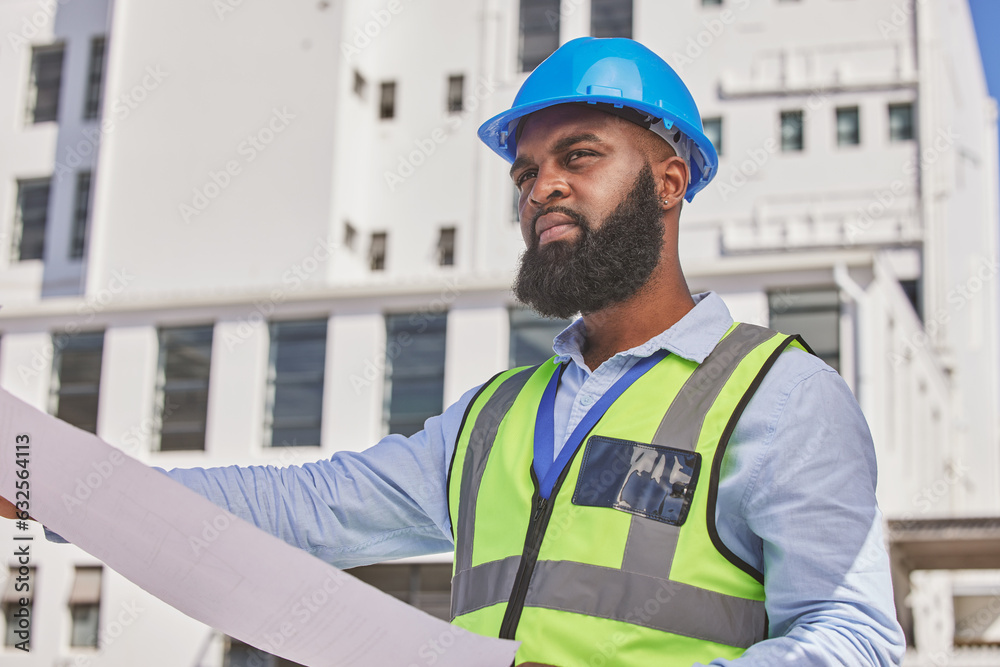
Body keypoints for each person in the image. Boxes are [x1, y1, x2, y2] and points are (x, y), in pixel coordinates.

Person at [3, 37, 904, 666]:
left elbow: (853, 638)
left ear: (670, 181)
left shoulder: (779, 397)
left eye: (579, 156)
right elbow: (298, 508)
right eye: (525, 171)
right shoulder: (494, 416)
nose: (542, 184)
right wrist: (45, 480)